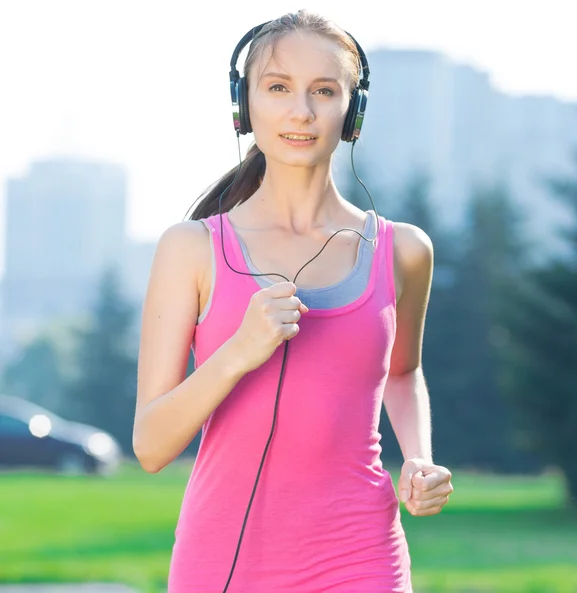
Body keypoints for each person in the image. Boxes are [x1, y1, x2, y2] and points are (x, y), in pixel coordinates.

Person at [133, 9, 454, 593]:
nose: (301, 112)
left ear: (352, 111)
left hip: (363, 559)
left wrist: (419, 458)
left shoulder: (403, 250)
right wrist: (236, 353)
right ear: (244, 104)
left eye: (324, 91)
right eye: (278, 87)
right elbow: (152, 445)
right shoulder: (192, 249)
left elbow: (403, 374)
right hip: (222, 561)